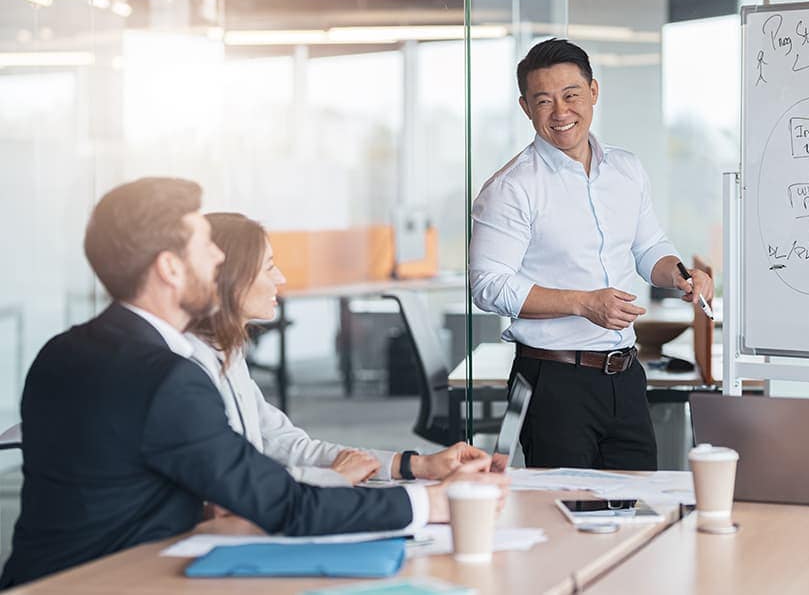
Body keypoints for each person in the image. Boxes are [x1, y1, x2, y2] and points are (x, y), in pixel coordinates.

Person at [1, 178, 505, 588]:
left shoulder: (64, 352)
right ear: (170, 269)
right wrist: (430, 502)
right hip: (119, 582)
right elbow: (280, 502)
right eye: (206, 249)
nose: (219, 261)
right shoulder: (165, 378)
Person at [469, 38, 713, 471]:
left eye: (571, 95)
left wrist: (679, 274)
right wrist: (583, 303)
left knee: (635, 512)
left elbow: (648, 246)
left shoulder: (626, 169)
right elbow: (487, 287)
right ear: (526, 107)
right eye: (544, 101)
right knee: (566, 520)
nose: (561, 112)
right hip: (552, 382)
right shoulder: (511, 188)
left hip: (626, 378)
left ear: (594, 93)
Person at [186, 212, 484, 487]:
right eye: (269, 267)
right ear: (230, 278)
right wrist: (333, 478)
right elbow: (227, 489)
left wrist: (415, 465)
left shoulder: (229, 353)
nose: (281, 279)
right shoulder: (191, 367)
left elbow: (285, 445)